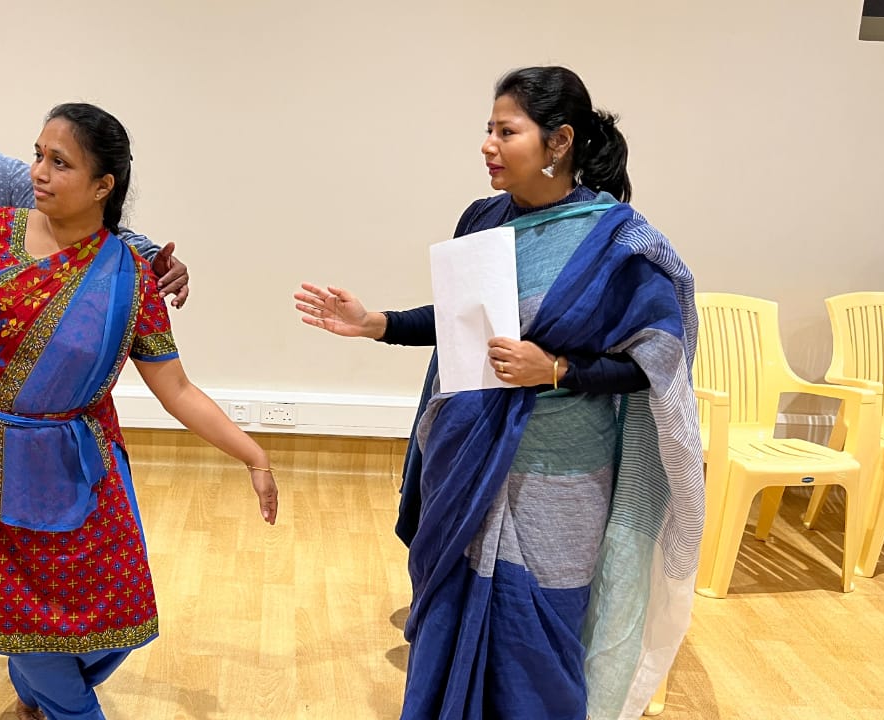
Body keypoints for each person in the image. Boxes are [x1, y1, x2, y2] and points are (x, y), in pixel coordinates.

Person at [295, 66, 703, 719]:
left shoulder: (618, 241)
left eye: (506, 131)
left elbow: (655, 362)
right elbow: (463, 319)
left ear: (559, 141)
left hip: (562, 474)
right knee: (453, 613)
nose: (488, 144)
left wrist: (559, 370)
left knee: (542, 628)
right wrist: (377, 324)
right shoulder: (484, 218)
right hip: (469, 459)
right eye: (487, 129)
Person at [0, 102, 278, 720]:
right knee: (19, 608)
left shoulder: (131, 277)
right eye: (38, 155)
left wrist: (254, 455)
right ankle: (64, 706)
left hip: (74, 462)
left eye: (60, 162)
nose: (39, 172)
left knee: (117, 614)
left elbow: (178, 389)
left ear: (103, 185)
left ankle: (35, 691)